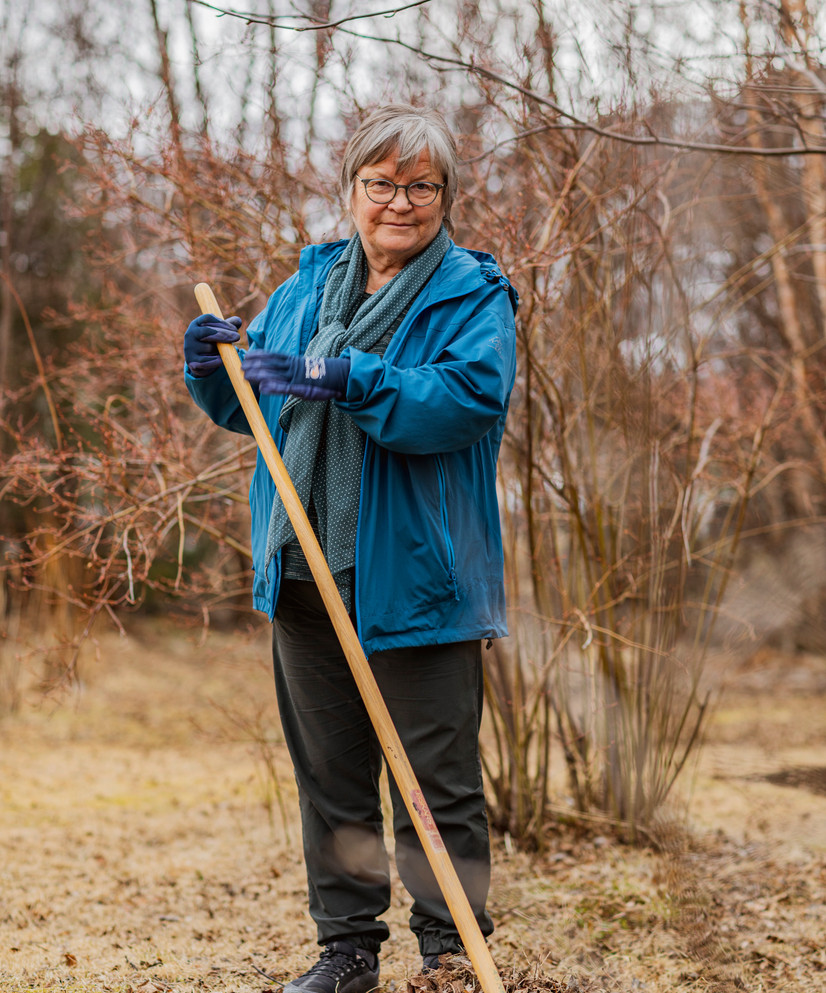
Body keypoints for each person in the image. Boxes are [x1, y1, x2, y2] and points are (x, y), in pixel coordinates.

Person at [183, 104, 518, 993]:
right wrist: (214, 367)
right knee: (333, 778)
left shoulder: (471, 295)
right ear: (352, 191)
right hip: (302, 570)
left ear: (445, 197)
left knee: (436, 781)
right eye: (382, 184)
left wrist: (348, 375)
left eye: (421, 186)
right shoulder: (308, 288)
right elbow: (255, 411)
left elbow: (463, 402)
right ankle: (348, 950)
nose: (399, 203)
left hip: (417, 577)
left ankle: (450, 953)